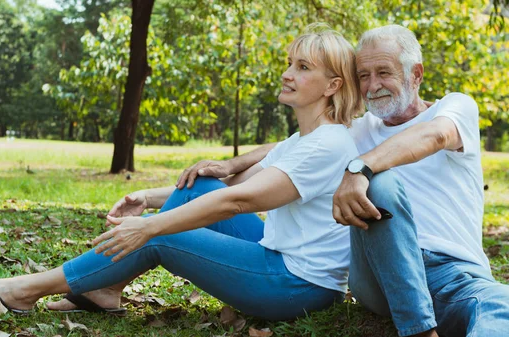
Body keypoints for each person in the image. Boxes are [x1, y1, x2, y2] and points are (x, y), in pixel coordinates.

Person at [0, 25, 363, 320]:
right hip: (279, 258)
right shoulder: (302, 139)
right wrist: (148, 198)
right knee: (198, 183)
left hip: (296, 286)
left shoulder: (327, 144)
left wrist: (150, 227)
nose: (287, 73)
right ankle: (106, 288)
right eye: (290, 63)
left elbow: (242, 200)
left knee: (164, 236)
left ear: (332, 86)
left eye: (303, 67)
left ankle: (26, 290)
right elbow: (233, 183)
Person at [177, 25, 509, 337]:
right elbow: (295, 145)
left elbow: (435, 136)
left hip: (455, 277)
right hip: (380, 276)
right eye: (363, 76)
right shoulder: (360, 129)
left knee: (499, 305)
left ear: (416, 74)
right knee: (381, 187)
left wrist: (359, 168)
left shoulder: (454, 108)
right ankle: (420, 330)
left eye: (383, 73)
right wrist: (230, 164)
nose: (372, 85)